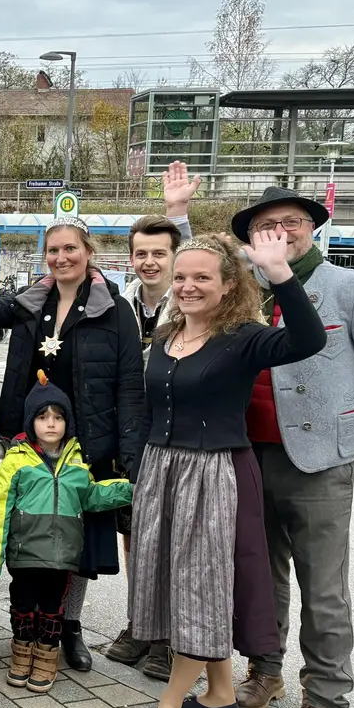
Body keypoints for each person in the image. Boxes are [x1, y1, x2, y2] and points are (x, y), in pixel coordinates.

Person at [129, 231, 325, 708]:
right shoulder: (165, 334)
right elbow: (151, 407)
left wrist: (280, 274)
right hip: (161, 470)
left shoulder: (242, 338)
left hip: (211, 473)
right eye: (182, 277)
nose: (188, 286)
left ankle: (170, 701)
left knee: (199, 587)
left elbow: (309, 340)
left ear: (228, 284)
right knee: (176, 580)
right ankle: (219, 693)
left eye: (201, 278)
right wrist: (138, 469)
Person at [0, 213, 146, 671]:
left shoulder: (115, 312)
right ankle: (26, 626)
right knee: (30, 529)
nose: (61, 258)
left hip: (83, 445)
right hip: (26, 443)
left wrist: (128, 453)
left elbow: (129, 387)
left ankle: (68, 627)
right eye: (53, 250)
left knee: (73, 544)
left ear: (88, 253)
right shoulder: (28, 303)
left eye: (70, 249)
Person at [228, 186, 354, 708]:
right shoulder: (245, 293)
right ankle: (266, 669)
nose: (280, 231)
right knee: (262, 574)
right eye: (266, 224)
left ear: (311, 227)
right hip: (249, 453)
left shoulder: (350, 288)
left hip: (319, 460)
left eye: (291, 221)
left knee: (323, 585)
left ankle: (326, 699)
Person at [0, 372, 133, 694]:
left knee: (53, 608)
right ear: (30, 422)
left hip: (62, 557)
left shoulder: (78, 464)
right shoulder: (15, 462)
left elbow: (91, 497)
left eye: (58, 417)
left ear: (68, 423)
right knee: (23, 603)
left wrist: (129, 490)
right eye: (43, 416)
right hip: (25, 555)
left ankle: (46, 659)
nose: (51, 423)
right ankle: (21, 654)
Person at [107, 161, 197, 680]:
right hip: (136, 437)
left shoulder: (188, 303)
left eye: (158, 254)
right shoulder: (123, 307)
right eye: (140, 253)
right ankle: (142, 622)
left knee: (175, 540)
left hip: (181, 435)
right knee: (136, 534)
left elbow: (195, 257)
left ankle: (169, 638)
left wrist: (177, 213)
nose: (148, 262)